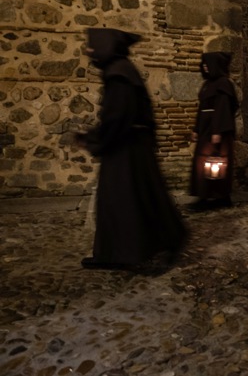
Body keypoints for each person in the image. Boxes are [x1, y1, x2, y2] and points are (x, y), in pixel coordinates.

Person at [76, 28, 188, 270]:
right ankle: (125, 250)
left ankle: (125, 253)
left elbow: (116, 118)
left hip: (126, 149)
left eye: (93, 46)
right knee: (139, 198)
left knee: (122, 201)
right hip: (131, 146)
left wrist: (94, 140)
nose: (89, 50)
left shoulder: (119, 74)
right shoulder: (122, 70)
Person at [190, 52, 239, 210]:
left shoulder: (223, 84)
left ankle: (221, 196)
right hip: (206, 129)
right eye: (203, 63)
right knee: (202, 163)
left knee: (218, 163)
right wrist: (196, 129)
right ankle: (204, 195)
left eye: (208, 63)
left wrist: (217, 131)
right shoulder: (208, 84)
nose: (205, 66)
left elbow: (223, 108)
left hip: (218, 131)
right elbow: (202, 108)